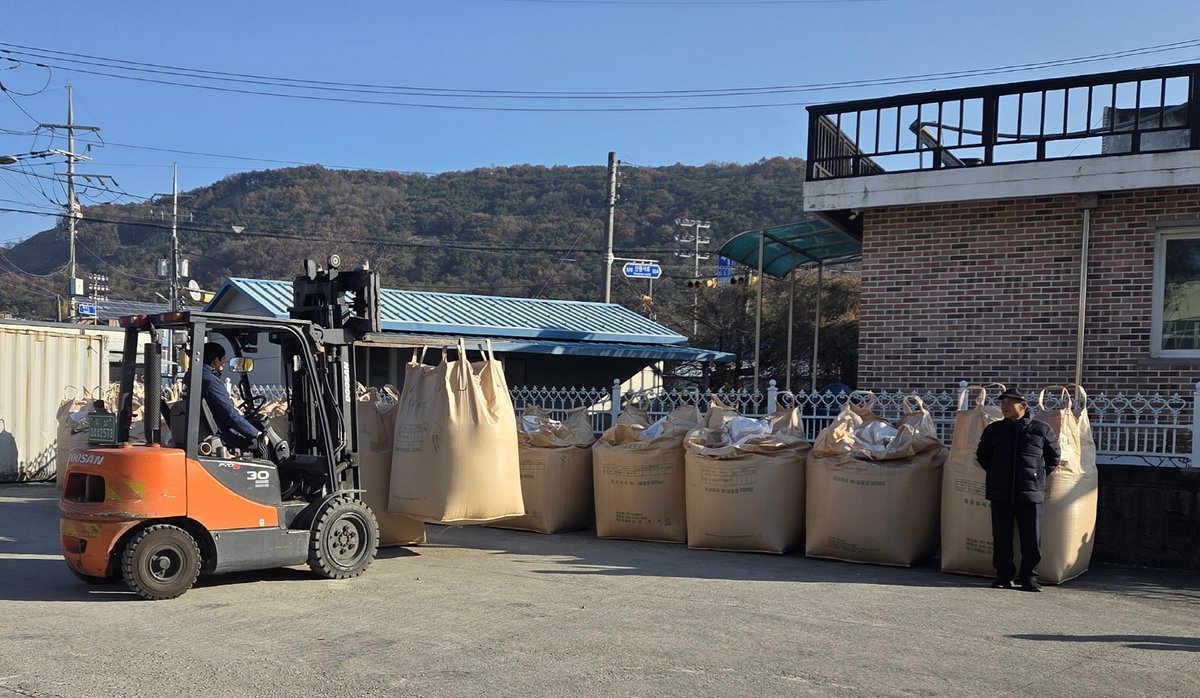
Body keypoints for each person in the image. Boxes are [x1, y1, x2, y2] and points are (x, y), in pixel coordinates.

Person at [975, 387, 1061, 592]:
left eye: (1009, 403)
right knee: (1001, 536)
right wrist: (997, 474)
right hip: (1000, 491)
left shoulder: (1040, 429)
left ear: (1023, 406)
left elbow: (1054, 457)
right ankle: (1004, 576)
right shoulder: (994, 430)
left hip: (1030, 492)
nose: (1004, 407)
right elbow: (983, 456)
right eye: (1002, 403)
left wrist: (1037, 475)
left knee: (1031, 537)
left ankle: (1029, 577)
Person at [185, 342, 262, 451]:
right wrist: (256, 434)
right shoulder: (210, 381)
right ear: (216, 361)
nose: (224, 364)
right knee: (259, 445)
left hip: (206, 430)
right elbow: (228, 413)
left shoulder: (192, 377)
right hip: (221, 435)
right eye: (223, 360)